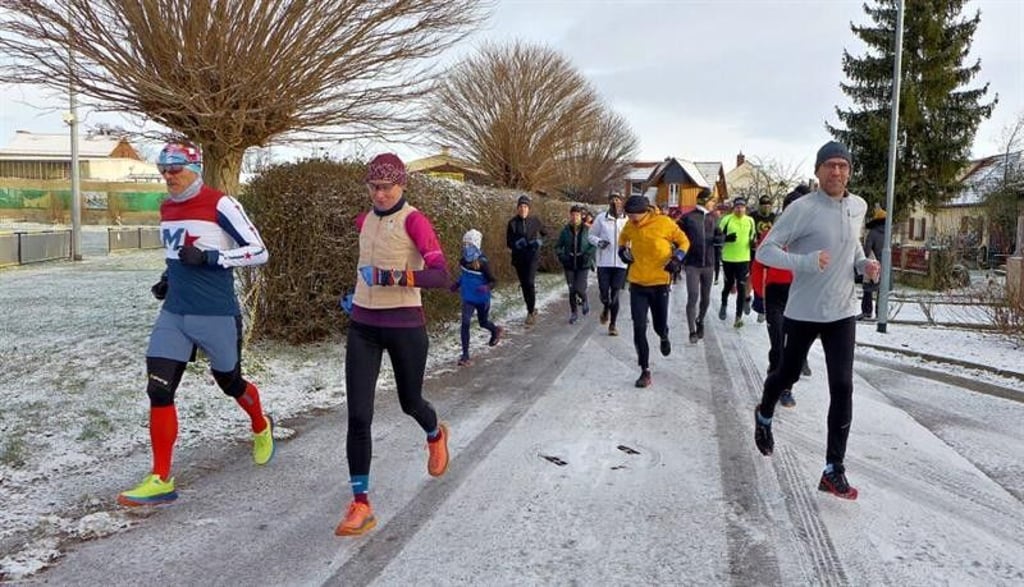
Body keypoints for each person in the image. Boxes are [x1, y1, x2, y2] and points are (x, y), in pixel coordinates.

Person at [117, 141, 273, 507]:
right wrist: (168, 278)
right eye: (163, 171)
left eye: (175, 170)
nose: (168, 177)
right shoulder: (167, 208)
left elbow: (259, 251)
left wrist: (210, 257)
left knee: (229, 382)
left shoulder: (221, 203)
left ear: (195, 169)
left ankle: (260, 424)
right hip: (175, 313)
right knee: (158, 390)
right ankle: (161, 479)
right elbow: (176, 255)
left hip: (216, 314)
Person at [753, 141, 880, 501]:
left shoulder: (858, 206)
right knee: (786, 374)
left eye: (842, 166)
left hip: (842, 312)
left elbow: (852, 247)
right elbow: (766, 250)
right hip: (804, 312)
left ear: (850, 171)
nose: (836, 172)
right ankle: (764, 413)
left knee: (843, 387)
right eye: (829, 166)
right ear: (818, 171)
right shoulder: (801, 209)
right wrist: (805, 263)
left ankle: (832, 469)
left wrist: (863, 265)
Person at [336, 153, 452, 536]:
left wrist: (391, 276)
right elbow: (363, 263)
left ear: (402, 185)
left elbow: (440, 276)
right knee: (359, 416)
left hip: (405, 326)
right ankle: (360, 503)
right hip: (363, 327)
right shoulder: (364, 221)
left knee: (410, 402)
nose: (380, 194)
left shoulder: (415, 221)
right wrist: (353, 294)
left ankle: (435, 433)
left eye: (386, 187)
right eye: (373, 187)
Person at [618, 195, 690, 388]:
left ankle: (664, 335)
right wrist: (622, 252)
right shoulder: (630, 226)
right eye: (629, 215)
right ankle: (645, 370)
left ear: (644, 212)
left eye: (635, 215)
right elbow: (622, 240)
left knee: (659, 325)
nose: (632, 219)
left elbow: (684, 242)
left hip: (659, 282)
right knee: (638, 327)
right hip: (637, 283)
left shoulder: (664, 223)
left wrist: (677, 258)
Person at [750, 184, 811, 408]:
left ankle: (786, 387)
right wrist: (759, 292)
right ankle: (776, 377)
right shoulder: (771, 235)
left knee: (792, 347)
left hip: (798, 294)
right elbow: (757, 266)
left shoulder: (808, 237)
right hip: (774, 293)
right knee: (777, 344)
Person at [451, 229, 503, 366]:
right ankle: (465, 355)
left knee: (483, 322)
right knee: (465, 323)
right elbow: (464, 276)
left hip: (482, 299)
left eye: (469, 244)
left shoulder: (483, 263)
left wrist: (486, 287)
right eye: (465, 244)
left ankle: (495, 330)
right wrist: (457, 284)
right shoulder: (462, 261)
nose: (466, 247)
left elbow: (494, 281)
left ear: (476, 245)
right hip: (468, 298)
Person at [677, 188, 722, 343]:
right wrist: (679, 255)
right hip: (693, 264)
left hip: (709, 264)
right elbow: (677, 236)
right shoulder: (687, 218)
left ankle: (700, 320)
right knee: (693, 296)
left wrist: (722, 238)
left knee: (706, 299)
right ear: (703, 201)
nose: (714, 204)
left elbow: (718, 235)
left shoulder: (714, 218)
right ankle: (692, 331)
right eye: (712, 201)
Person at [587, 192, 629, 335]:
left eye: (618, 199)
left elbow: (634, 239)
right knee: (605, 294)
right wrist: (599, 242)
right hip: (604, 262)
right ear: (609, 203)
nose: (615, 202)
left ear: (621, 202)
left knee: (615, 293)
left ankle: (613, 324)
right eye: (612, 199)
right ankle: (606, 308)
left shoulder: (627, 220)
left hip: (620, 263)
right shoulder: (601, 219)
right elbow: (590, 236)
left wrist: (629, 250)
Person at [506, 195, 548, 325]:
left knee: (530, 282)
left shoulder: (535, 221)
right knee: (525, 285)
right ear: (517, 208)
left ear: (529, 209)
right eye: (521, 207)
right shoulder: (512, 223)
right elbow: (508, 242)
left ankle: (530, 312)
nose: (523, 209)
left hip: (532, 257)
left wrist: (540, 241)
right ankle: (531, 307)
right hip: (519, 258)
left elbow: (546, 234)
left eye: (525, 206)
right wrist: (516, 244)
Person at [718, 197, 756, 327]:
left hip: (743, 259)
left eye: (742, 207)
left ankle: (738, 318)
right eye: (737, 207)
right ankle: (724, 304)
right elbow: (717, 237)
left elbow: (753, 237)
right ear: (733, 208)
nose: (739, 209)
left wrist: (753, 243)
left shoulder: (750, 221)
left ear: (745, 208)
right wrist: (726, 238)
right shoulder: (726, 219)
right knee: (728, 286)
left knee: (741, 288)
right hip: (728, 258)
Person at [556, 204, 597, 324]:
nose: (575, 217)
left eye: (577, 215)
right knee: (571, 289)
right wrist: (562, 256)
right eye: (573, 215)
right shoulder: (565, 231)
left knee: (579, 288)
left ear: (581, 216)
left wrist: (588, 254)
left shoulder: (587, 230)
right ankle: (574, 312)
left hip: (583, 263)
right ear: (570, 216)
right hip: (569, 263)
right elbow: (558, 246)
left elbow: (593, 244)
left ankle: (584, 300)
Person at [750, 194, 778, 323]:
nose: (766, 207)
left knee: (768, 280)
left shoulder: (774, 218)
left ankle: (763, 308)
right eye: (764, 205)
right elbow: (749, 232)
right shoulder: (753, 217)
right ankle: (753, 301)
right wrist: (751, 242)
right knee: (755, 278)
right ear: (760, 206)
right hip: (754, 251)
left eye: (768, 205)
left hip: (770, 252)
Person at [860, 207, 886, 320]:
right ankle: (880, 313)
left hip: (873, 266)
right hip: (886, 266)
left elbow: (866, 251)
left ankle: (867, 311)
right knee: (882, 290)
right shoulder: (889, 233)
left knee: (868, 289)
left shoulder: (872, 233)